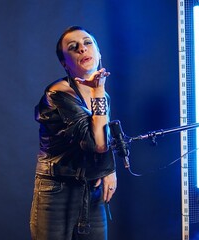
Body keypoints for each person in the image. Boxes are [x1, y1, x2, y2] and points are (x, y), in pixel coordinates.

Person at [30, 26, 117, 240]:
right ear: (64, 63)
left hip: (90, 187)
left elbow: (103, 136)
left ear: (98, 52)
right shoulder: (58, 93)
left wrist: (108, 170)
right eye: (73, 47)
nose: (82, 49)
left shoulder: (102, 95)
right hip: (56, 188)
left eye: (88, 43)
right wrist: (97, 91)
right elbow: (96, 144)